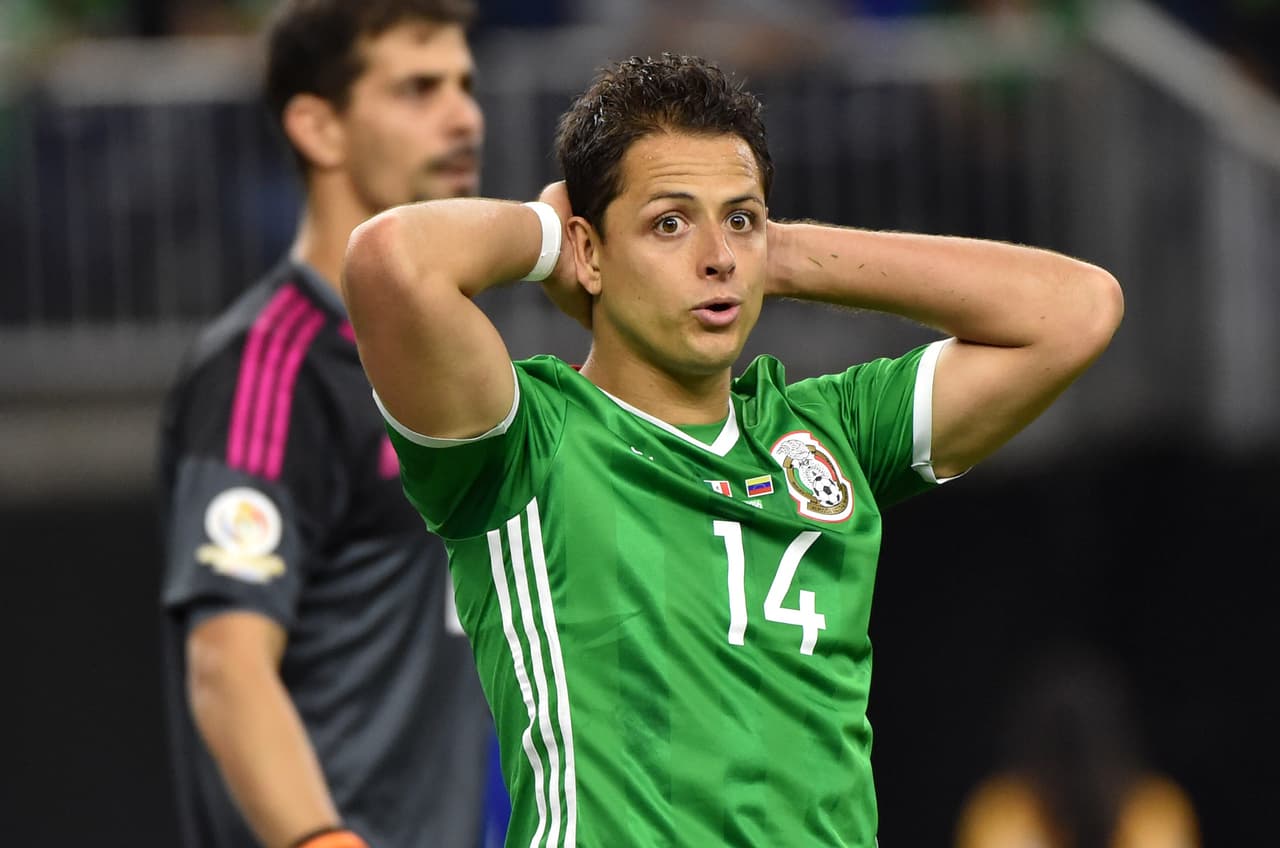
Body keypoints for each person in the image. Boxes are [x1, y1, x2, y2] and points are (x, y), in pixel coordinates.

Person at [340, 52, 1124, 846]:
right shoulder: (526, 444)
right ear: (591, 251)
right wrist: (552, 235)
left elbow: (1075, 310)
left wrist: (779, 254)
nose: (716, 256)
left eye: (740, 218)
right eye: (669, 222)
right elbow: (392, 262)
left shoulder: (829, 432)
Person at [157, 2, 503, 847]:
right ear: (318, 127)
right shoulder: (268, 365)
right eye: (418, 89)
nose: (464, 115)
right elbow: (228, 666)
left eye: (465, 84)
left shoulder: (461, 363)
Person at [953, 645, 1201, 848]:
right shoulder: (1001, 813)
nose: (1074, 772)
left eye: (1086, 752)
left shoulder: (1155, 811)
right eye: (1059, 753)